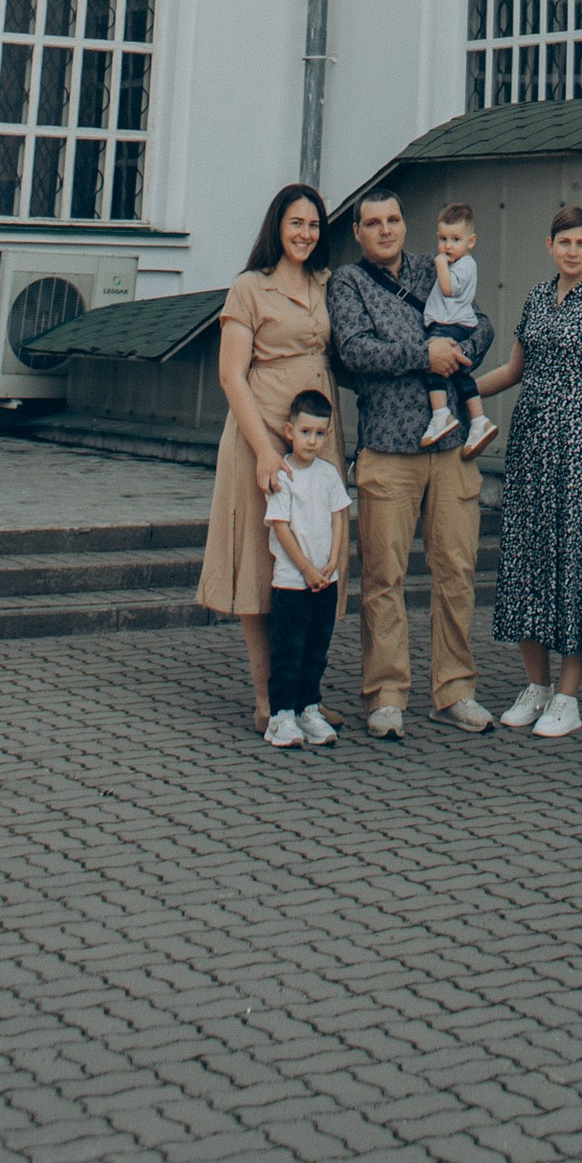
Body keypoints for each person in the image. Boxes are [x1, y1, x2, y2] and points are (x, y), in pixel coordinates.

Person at [327, 184, 496, 736]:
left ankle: (454, 690)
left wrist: (459, 352)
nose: (385, 230)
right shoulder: (348, 283)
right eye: (372, 223)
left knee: (456, 572)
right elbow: (354, 351)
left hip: (450, 451)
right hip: (388, 448)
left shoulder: (437, 265)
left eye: (393, 220)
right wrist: (425, 353)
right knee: (384, 577)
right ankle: (386, 694)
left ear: (404, 223)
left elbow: (484, 322)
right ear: (358, 232)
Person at [475, 202, 582, 738]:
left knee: (575, 562)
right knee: (526, 560)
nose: (572, 251)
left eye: (581, 243)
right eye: (563, 242)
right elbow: (514, 369)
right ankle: (535, 686)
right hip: (530, 447)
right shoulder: (537, 297)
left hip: (580, 445)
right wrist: (459, 391)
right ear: (549, 245)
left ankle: (567, 696)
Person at [197, 178, 335, 733]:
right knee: (264, 564)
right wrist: (262, 450)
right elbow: (232, 374)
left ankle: (303, 697)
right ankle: (266, 699)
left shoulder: (325, 284)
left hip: (318, 435)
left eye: (313, 225)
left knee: (315, 559)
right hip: (263, 434)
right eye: (296, 223)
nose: (305, 233)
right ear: (277, 227)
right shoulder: (249, 288)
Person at [260, 387, 349, 750]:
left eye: (319, 434)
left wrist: (331, 563)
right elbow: (281, 528)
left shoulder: (328, 474)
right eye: (305, 432)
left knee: (316, 649)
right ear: (289, 431)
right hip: (292, 584)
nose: (312, 441)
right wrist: (307, 569)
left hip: (325, 582)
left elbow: (339, 518)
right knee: (288, 651)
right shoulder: (283, 476)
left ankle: (308, 708)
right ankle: (280, 716)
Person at [419, 199, 495, 454]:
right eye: (442, 239)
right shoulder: (458, 263)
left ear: (470, 242)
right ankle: (478, 421)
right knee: (461, 375)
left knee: (434, 366)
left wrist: (440, 264)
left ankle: (441, 415)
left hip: (450, 325)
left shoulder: (465, 265)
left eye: (455, 239)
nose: (447, 246)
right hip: (451, 323)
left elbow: (448, 289)